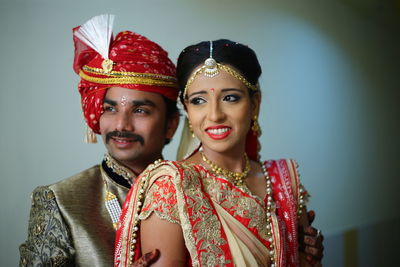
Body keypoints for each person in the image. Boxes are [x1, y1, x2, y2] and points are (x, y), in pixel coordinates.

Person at [115, 39, 323, 266]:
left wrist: (305, 258)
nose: (214, 115)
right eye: (199, 100)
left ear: (255, 103)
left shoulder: (283, 180)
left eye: (230, 98)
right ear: (187, 109)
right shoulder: (171, 186)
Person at [19, 14, 179, 266]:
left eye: (140, 110)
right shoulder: (60, 200)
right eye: (110, 109)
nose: (121, 125)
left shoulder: (193, 193)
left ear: (171, 124)